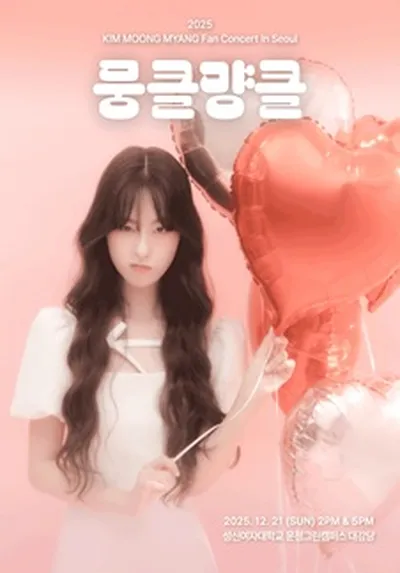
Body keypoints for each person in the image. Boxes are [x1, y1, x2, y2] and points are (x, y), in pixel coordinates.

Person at [9, 146, 295, 573]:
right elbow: (41, 468)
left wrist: (254, 394)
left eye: (161, 228)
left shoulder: (212, 341)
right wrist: (121, 500)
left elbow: (195, 481)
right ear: (104, 231)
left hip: (179, 555)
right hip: (89, 555)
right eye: (127, 227)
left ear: (182, 237)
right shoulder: (60, 333)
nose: (143, 248)